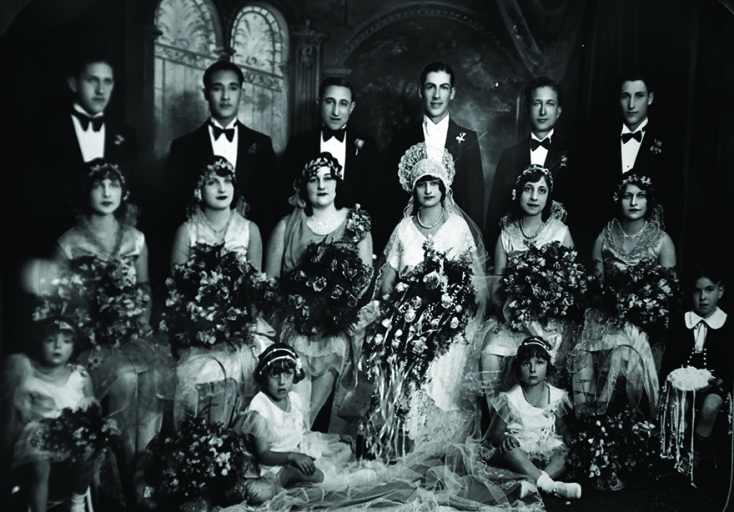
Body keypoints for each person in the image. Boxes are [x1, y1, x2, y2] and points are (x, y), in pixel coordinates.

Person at [54, 159, 171, 506]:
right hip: (90, 340)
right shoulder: (68, 243)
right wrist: (95, 324)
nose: (107, 192)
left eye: (114, 185)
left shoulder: (135, 238)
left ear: (123, 192)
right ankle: (119, 479)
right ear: (85, 191)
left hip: (130, 335)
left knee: (156, 373)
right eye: (98, 185)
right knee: (124, 378)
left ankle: (143, 478)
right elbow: (59, 304)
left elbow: (145, 287)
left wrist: (134, 320)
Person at [368, 142, 487, 455]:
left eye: (434, 183)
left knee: (450, 354)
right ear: (413, 189)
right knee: (398, 350)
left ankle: (439, 446)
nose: (429, 190)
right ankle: (411, 441)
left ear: (444, 187)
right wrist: (398, 310)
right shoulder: (404, 229)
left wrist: (452, 313)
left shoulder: (458, 227)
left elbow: (474, 282)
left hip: (452, 320)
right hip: (410, 319)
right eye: (422, 184)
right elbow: (388, 282)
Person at [266, 153, 373, 429]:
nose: (322, 185)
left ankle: (303, 437)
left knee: (314, 407)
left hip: (335, 327)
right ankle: (293, 439)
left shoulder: (355, 224)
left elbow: (362, 281)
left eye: (328, 178)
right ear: (304, 186)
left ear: (338, 183)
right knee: (295, 404)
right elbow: (271, 283)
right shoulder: (287, 226)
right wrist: (301, 310)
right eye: (314, 179)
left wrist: (331, 311)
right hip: (296, 324)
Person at [169, 156, 272, 428]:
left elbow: (256, 289)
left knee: (253, 363)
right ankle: (204, 439)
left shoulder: (249, 229)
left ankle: (239, 438)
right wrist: (206, 322)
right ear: (198, 189)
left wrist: (239, 323)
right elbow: (177, 291)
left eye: (227, 181)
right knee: (200, 371)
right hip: (198, 328)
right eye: (212, 182)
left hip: (242, 326)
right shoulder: (187, 231)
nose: (221, 188)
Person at [571, 173, 676, 416]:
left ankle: (626, 424)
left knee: (626, 351)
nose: (634, 202)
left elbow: (668, 293)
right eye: (628, 196)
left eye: (640, 196)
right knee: (584, 354)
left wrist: (640, 311)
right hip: (606, 316)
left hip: (644, 322)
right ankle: (589, 420)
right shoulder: (604, 237)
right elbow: (595, 287)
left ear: (649, 201)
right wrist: (613, 303)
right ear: (618, 199)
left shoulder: (662, 241)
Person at [166, 60, 276, 278]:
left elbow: (269, 206)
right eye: (218, 88)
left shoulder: (261, 144)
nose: (225, 96)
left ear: (242, 92)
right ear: (206, 93)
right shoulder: (183, 146)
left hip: (247, 251)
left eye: (232, 88)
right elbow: (173, 208)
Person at [481, 165, 574, 401]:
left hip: (549, 320)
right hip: (513, 317)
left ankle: (541, 416)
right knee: (490, 350)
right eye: (528, 189)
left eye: (541, 191)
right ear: (518, 193)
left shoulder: (560, 232)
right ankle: (498, 417)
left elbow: (571, 283)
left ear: (548, 196)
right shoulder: (506, 235)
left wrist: (546, 305)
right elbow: (497, 286)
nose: (534, 197)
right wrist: (514, 312)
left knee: (545, 354)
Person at [237, 343, 374, 497]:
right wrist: (292, 456)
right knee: (306, 472)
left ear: (294, 374)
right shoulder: (260, 409)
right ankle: (340, 483)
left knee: (346, 448)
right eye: (275, 375)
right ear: (264, 376)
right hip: (275, 468)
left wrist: (335, 438)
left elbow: (301, 433)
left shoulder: (293, 399)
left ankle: (327, 478)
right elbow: (264, 455)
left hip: (297, 453)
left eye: (287, 374)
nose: (282, 382)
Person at [377, 62, 485, 252]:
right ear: (421, 92)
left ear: (452, 93)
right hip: (411, 241)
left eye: (443, 87)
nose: (436, 95)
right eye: (430, 87)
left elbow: (475, 199)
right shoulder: (402, 139)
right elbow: (390, 198)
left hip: (454, 241)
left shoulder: (468, 139)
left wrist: (470, 244)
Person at [2, 319, 96, 512]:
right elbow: (20, 411)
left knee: (90, 451)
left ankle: (77, 501)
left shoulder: (80, 375)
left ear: (74, 346)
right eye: (50, 340)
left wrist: (89, 415)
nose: (58, 346)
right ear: (40, 343)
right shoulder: (30, 375)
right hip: (41, 431)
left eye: (66, 341)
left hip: (74, 430)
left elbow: (92, 406)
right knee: (40, 463)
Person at [488, 337, 582, 500]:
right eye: (526, 363)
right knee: (509, 449)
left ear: (548, 366)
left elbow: (561, 426)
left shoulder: (556, 396)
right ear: (518, 367)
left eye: (539, 363)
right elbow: (495, 435)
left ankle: (533, 484)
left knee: (569, 453)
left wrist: (568, 436)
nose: (532, 369)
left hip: (546, 446)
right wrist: (504, 438)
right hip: (520, 450)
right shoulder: (510, 399)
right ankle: (551, 486)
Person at [660, 263, 731, 478]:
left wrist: (720, 381)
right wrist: (676, 377)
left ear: (720, 291)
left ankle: (694, 454)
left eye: (709, 290)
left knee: (710, 406)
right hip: (683, 384)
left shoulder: (727, 325)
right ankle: (677, 450)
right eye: (697, 291)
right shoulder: (682, 323)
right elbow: (671, 359)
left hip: (714, 384)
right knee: (679, 404)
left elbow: (730, 364)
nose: (703, 298)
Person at [485, 78, 571, 249]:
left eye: (550, 104)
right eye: (537, 103)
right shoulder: (510, 155)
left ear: (558, 111)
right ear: (527, 109)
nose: (543, 111)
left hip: (557, 250)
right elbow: (496, 210)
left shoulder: (573, 155)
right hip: (515, 247)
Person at [277, 76, 379, 220]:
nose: (336, 112)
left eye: (343, 104)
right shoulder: (298, 144)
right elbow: (282, 196)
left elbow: (375, 201)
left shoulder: (367, 145)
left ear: (351, 107)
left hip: (353, 229)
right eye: (330, 102)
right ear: (319, 103)